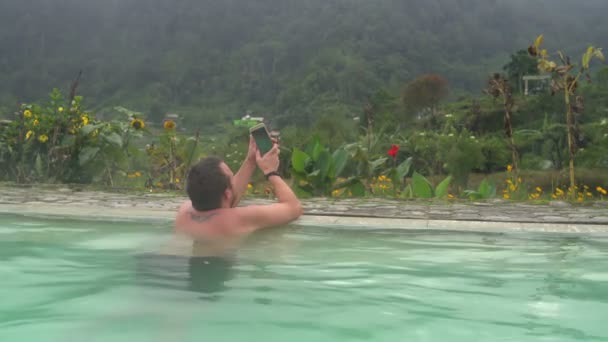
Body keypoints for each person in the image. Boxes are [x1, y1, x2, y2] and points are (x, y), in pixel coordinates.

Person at [175, 135, 303, 255]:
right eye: (231, 177)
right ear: (227, 194)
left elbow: (227, 196)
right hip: (217, 269)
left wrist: (251, 160)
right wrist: (271, 172)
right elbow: (293, 208)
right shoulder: (238, 219)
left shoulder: (184, 212)